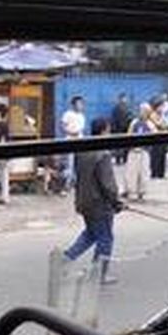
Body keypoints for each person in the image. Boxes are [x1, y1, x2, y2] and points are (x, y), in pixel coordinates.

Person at [64, 118, 124, 285]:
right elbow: (108, 184)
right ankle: (99, 275)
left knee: (91, 234)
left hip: (84, 200)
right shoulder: (103, 154)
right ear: (104, 131)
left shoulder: (83, 150)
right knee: (105, 238)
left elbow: (79, 177)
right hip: (100, 204)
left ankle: (67, 257)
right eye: (109, 130)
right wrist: (116, 201)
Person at [125, 103, 157, 201]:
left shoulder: (150, 125)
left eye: (145, 111)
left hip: (144, 151)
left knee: (144, 173)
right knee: (131, 173)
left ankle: (141, 192)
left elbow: (155, 135)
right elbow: (129, 134)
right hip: (134, 151)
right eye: (141, 110)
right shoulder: (134, 122)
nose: (142, 113)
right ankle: (131, 191)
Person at [61, 96, 86, 194]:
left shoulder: (82, 116)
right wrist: (70, 132)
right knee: (69, 165)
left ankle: (77, 184)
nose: (81, 106)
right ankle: (66, 186)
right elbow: (62, 126)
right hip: (69, 141)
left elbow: (81, 129)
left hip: (79, 142)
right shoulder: (67, 114)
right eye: (79, 103)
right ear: (73, 104)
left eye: (82, 104)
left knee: (79, 164)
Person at [150, 94, 168, 179]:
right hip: (156, 137)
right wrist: (162, 124)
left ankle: (161, 173)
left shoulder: (161, 115)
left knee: (162, 155)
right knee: (156, 155)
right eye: (160, 106)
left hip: (163, 136)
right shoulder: (153, 115)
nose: (161, 108)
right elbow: (159, 125)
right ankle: (154, 172)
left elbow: (165, 124)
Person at [111, 93, 132, 165]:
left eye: (125, 98)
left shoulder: (127, 108)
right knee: (120, 145)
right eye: (123, 98)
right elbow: (114, 119)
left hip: (124, 128)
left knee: (123, 145)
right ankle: (120, 160)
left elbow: (130, 117)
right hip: (120, 129)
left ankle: (123, 159)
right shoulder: (117, 108)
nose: (125, 100)